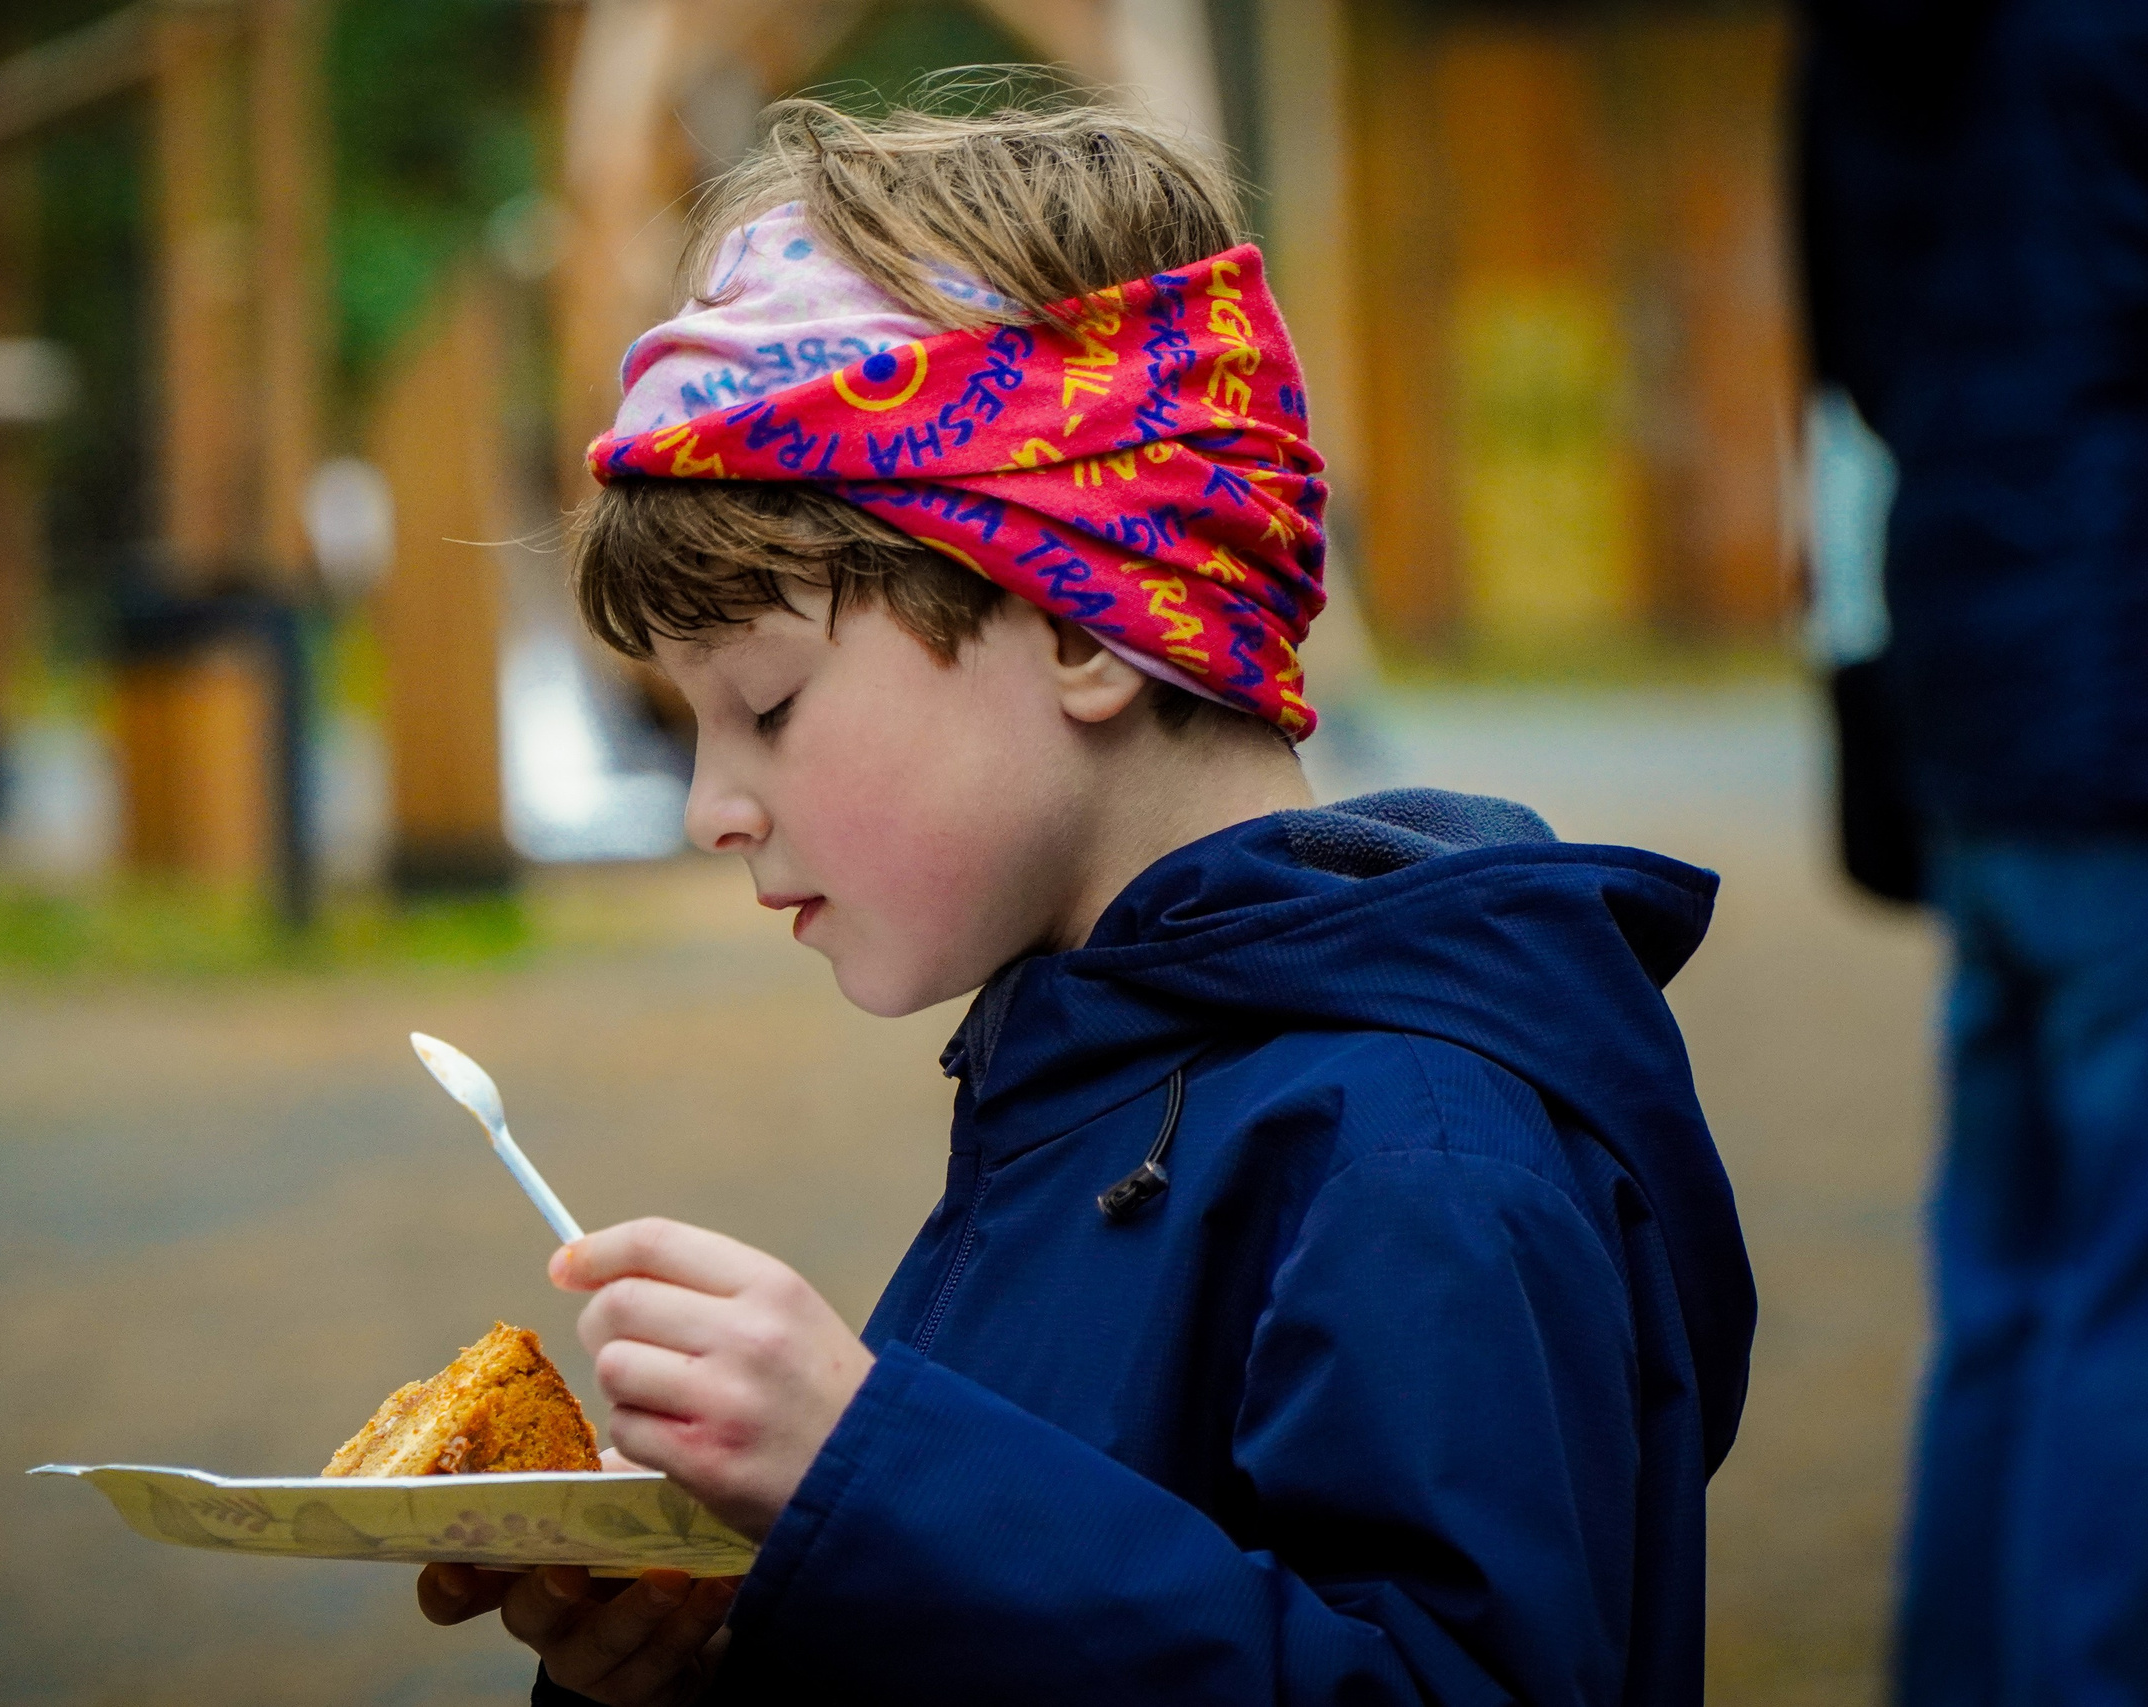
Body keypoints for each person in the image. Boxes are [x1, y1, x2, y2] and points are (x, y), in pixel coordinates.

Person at [420, 100, 1756, 1706]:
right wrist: (725, 1648)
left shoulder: (1418, 1156)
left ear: (1078, 629)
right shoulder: (1085, 1066)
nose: (713, 808)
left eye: (766, 708)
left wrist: (876, 1474)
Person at [1801, 3, 2148, 1701]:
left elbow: (1852, 348)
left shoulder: (1873, 53)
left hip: (1975, 679)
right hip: (2118, 693)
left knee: (2008, 1277)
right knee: (2125, 1294)